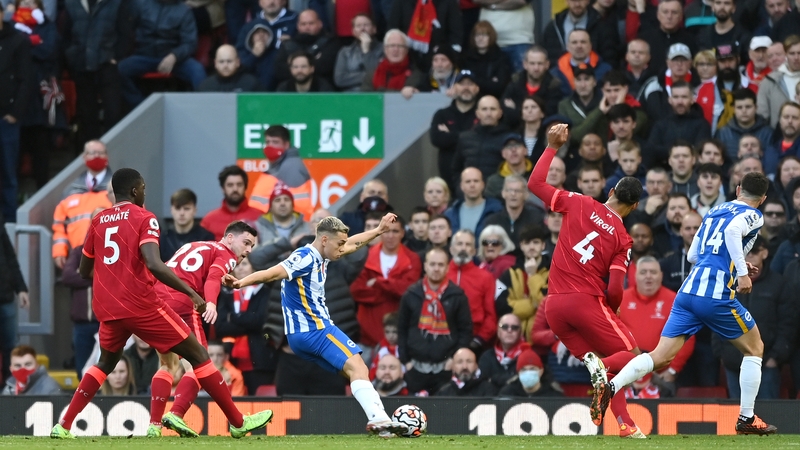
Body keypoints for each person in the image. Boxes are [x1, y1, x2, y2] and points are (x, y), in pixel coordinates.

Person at [50, 168, 272, 440]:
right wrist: (193, 295)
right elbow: (155, 264)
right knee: (199, 356)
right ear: (134, 190)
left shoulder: (97, 220)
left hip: (108, 307)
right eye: (143, 188)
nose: (145, 193)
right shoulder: (146, 218)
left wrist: (115, 274)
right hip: (143, 304)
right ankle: (237, 422)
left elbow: (85, 271)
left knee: (106, 363)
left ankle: (65, 424)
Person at [590, 171, 778, 436]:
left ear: (738, 190)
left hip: (687, 292)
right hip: (715, 296)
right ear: (762, 199)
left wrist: (734, 263)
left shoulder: (715, 210)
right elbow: (735, 231)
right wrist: (743, 274)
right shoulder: (753, 214)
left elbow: (692, 254)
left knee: (660, 356)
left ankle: (611, 387)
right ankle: (747, 417)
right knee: (755, 348)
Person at [222, 213, 410, 436]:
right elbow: (273, 273)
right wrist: (241, 282)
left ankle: (382, 424)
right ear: (324, 240)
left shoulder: (323, 255)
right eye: (338, 243)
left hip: (299, 337)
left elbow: (351, 245)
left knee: (353, 371)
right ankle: (379, 420)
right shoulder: (305, 256)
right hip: (315, 330)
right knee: (359, 367)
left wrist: (378, 231)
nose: (342, 248)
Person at [527, 123, 647, 438]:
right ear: (633, 207)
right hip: (586, 302)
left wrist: (552, 146)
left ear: (610, 191)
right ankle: (603, 377)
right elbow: (615, 289)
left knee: (608, 370)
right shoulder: (623, 238)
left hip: (554, 308)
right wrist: (612, 310)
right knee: (633, 357)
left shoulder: (578, 202)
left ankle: (626, 425)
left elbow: (535, 183)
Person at [147, 220, 258, 435]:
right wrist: (212, 303)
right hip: (184, 305)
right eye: (246, 243)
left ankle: (154, 426)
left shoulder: (195, 245)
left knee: (167, 364)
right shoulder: (226, 255)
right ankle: (177, 413)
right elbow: (213, 278)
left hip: (158, 301)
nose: (248, 250)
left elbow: (188, 270)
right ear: (229, 238)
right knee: (201, 364)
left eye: (252, 246)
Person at [712, 236, 794, 400]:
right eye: (744, 252)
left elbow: (788, 323)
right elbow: (715, 318)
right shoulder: (727, 283)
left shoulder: (779, 284)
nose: (748, 256)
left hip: (766, 362)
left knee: (767, 415)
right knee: (736, 415)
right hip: (733, 361)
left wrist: (776, 357)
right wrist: (721, 353)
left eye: (754, 252)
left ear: (764, 253)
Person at [398, 247, 472, 394]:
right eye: (432, 264)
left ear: (447, 267)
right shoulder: (411, 294)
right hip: (415, 367)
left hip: (446, 368)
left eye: (440, 265)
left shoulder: (457, 296)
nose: (436, 269)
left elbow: (466, 331)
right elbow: (402, 329)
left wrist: (453, 359)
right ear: (425, 266)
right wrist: (406, 361)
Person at [618, 257, 695, 398]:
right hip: (625, 375)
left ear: (661, 276)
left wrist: (673, 370)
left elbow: (687, 337)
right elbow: (607, 334)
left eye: (653, 272)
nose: (648, 276)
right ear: (635, 276)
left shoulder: (675, 300)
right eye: (643, 272)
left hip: (660, 377)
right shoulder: (620, 299)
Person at [350, 215, 421, 349]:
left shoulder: (413, 259)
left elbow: (407, 291)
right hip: (367, 336)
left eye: (395, 231)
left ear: (402, 233)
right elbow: (356, 290)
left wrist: (378, 282)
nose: (390, 236)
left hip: (399, 337)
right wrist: (391, 292)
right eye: (387, 231)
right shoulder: (364, 257)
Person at [117, 0, 206, 107]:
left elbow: (190, 43)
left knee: (198, 72)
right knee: (119, 70)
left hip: (174, 58)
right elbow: (126, 29)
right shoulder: (140, 4)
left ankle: (198, 108)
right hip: (144, 55)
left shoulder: (184, 10)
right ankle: (141, 107)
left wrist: (174, 56)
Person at [62, 0, 126, 147]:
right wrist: (71, 56)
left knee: (113, 112)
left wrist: (117, 56)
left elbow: (125, 33)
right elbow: (65, 34)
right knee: (87, 114)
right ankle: (92, 154)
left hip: (107, 64)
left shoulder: (117, 3)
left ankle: (113, 150)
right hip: (81, 64)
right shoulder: (72, 3)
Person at [216, 257, 275, 394]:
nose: (240, 268)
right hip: (231, 360)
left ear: (253, 267)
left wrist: (234, 318)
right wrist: (249, 322)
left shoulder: (264, 291)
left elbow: (261, 322)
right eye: (237, 265)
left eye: (245, 264)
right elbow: (220, 327)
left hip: (260, 360)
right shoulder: (227, 294)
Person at [0, 8, 33, 221]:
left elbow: (26, 79)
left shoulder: (18, 41)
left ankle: (10, 225)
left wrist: (15, 113)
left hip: (6, 118)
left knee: (8, 176)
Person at [429, 70, 481, 194]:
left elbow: (481, 140)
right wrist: (468, 135)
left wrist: (451, 134)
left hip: (476, 182)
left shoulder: (482, 114)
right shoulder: (442, 114)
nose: (466, 88)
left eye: (470, 84)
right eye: (462, 84)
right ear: (454, 88)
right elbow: (436, 139)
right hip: (448, 182)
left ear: (477, 88)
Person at [496, 224, 550, 340]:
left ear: (543, 245)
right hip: (514, 340)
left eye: (536, 242)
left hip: (542, 340)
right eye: (527, 243)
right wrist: (533, 305)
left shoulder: (554, 273)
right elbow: (502, 306)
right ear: (521, 246)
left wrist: (532, 275)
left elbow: (548, 306)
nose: (531, 247)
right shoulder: (508, 275)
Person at [448, 230, 497, 352]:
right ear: (451, 249)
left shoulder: (485, 277)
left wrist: (479, 340)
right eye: (459, 244)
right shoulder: (440, 273)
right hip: (442, 336)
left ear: (474, 251)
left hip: (473, 340)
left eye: (468, 244)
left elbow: (491, 315)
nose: (463, 248)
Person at [249, 125, 314, 218]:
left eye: (275, 142)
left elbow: (300, 207)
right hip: (265, 224)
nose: (270, 146)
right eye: (267, 142)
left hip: (281, 227)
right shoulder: (277, 166)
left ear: (286, 145)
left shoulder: (292, 167)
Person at [644, 82, 712, 169]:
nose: (680, 102)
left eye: (684, 97)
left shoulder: (702, 125)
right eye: (676, 97)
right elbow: (651, 151)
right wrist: (687, 150)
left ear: (692, 99)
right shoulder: (660, 124)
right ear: (670, 100)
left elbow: (699, 153)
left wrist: (664, 152)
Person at [235, 0, 298, 90]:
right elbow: (240, 59)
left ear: (284, 1)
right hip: (254, 81)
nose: (271, 2)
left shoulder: (297, 21)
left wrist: (292, 44)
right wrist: (254, 55)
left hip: (287, 81)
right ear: (260, 2)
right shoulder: (249, 26)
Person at [52, 178, 112, 269]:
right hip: (80, 251)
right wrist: (59, 251)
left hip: (109, 250)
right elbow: (59, 228)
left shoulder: (120, 201)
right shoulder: (70, 192)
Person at [452, 96, 512, 184]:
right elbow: (456, 169)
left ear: (500, 113)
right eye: (484, 109)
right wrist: (460, 188)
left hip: (498, 194)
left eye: (493, 109)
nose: (488, 113)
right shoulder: (465, 138)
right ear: (477, 113)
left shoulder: (509, 139)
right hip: (469, 193)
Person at [0, 221, 29, 382]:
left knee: (11, 349)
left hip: (5, 296)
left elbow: (10, 256)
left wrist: (21, 288)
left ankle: (10, 392)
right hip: (5, 295)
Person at [201, 165, 263, 241]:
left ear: (245, 187)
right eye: (230, 185)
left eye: (239, 184)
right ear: (223, 188)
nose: (235, 189)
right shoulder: (208, 221)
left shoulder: (260, 217)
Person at [502, 46, 564, 117]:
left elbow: (550, 114)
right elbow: (505, 111)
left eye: (540, 63)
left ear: (547, 65)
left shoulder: (554, 86)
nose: (536, 68)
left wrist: (516, 110)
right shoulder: (515, 82)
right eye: (532, 63)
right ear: (525, 64)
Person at [483, 174, 544, 246]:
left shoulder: (536, 219)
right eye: (509, 190)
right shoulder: (492, 221)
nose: (513, 194)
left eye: (517, 191)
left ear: (526, 194)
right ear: (503, 193)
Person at [715, 89, 774, 161]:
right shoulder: (723, 133)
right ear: (734, 109)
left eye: (748, 107)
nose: (744, 111)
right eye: (739, 107)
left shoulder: (768, 133)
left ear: (756, 108)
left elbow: (771, 161)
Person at [550, 29, 612, 96]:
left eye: (583, 42)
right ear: (568, 47)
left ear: (590, 45)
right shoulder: (554, 74)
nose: (579, 46)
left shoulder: (606, 71)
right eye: (574, 42)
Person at [361, 29, 423, 95]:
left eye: (400, 46)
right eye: (392, 46)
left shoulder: (415, 74)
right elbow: (365, 99)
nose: (395, 50)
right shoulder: (371, 75)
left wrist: (380, 91)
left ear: (406, 50)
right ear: (385, 49)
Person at [460, 20, 511, 99]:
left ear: (491, 37)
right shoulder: (467, 58)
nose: (480, 38)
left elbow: (500, 87)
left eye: (484, 35)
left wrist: (474, 80)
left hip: (494, 100)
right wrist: (490, 82)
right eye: (477, 35)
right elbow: (465, 85)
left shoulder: (500, 58)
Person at [159, 189, 215, 261]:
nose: (182, 213)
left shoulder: (206, 238)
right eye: (177, 208)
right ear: (171, 210)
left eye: (186, 209)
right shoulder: (163, 237)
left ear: (195, 210)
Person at [444, 168, 503, 236]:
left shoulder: (497, 210)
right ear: (461, 186)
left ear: (483, 185)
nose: (472, 185)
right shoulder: (451, 214)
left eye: (476, 181)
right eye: (468, 181)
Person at [478, 314, 530, 391]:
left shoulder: (529, 355)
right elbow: (482, 385)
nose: (509, 330)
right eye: (505, 327)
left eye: (514, 327)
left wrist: (494, 379)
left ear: (520, 333)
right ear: (498, 331)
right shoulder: (487, 357)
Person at [758, 36, 800, 129]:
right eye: (792, 53)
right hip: (779, 136)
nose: (796, 57)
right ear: (786, 55)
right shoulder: (769, 81)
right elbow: (762, 116)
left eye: (799, 53)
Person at [333, 13, 383, 91]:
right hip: (350, 96)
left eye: (366, 25)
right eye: (358, 26)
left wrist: (366, 51)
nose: (362, 28)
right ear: (353, 31)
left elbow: (380, 77)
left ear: (374, 29)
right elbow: (340, 79)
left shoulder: (384, 49)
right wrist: (367, 76)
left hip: (374, 94)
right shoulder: (345, 52)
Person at [659, 211, 702, 292]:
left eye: (697, 228)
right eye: (688, 228)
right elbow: (665, 287)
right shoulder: (668, 262)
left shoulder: (713, 260)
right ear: (681, 231)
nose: (692, 232)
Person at [498, 349, 563, 397]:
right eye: (523, 370)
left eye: (532, 369)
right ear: (518, 372)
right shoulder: (507, 394)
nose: (528, 372)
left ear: (541, 371)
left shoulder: (553, 396)